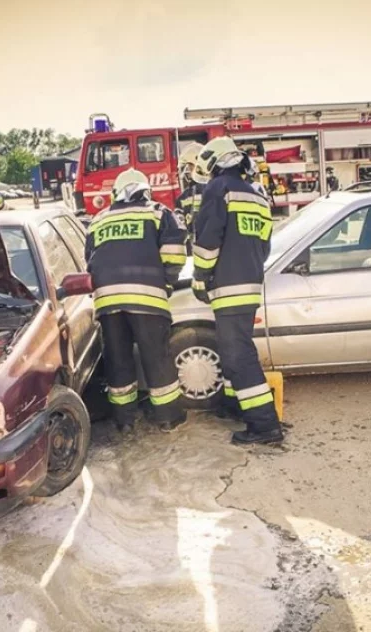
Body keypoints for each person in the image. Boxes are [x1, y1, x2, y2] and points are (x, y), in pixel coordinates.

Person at [190, 136, 285, 445]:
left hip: (228, 286)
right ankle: (235, 406)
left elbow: (208, 238)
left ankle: (265, 426)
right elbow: (264, 245)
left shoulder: (219, 189)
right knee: (237, 350)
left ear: (216, 163)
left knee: (238, 356)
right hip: (250, 284)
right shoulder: (257, 196)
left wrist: (200, 276)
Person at [85, 168, 188, 434]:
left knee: (118, 360)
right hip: (148, 299)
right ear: (145, 190)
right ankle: (168, 417)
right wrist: (166, 283)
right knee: (157, 358)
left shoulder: (98, 220)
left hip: (108, 302)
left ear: (116, 193)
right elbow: (175, 254)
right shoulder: (158, 213)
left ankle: (124, 420)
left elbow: (90, 260)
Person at [175, 142, 205, 250]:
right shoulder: (220, 190)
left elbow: (178, 230)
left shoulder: (183, 198)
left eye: (188, 166)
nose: (185, 171)